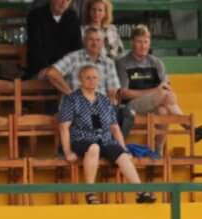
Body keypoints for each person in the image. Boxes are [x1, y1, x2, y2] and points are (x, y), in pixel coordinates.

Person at [59, 65, 156, 204]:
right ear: (80, 80)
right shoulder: (73, 99)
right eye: (88, 78)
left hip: (104, 140)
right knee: (94, 148)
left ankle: (140, 193)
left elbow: (115, 128)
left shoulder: (104, 100)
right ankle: (90, 193)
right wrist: (68, 152)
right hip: (82, 139)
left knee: (122, 155)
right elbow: (63, 126)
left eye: (95, 77)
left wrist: (123, 148)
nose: (92, 81)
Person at [116, 25, 202, 148]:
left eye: (146, 41)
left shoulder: (156, 62)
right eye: (139, 41)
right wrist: (155, 92)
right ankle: (190, 128)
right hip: (131, 106)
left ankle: (158, 151)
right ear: (132, 42)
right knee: (162, 94)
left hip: (155, 104)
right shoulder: (122, 63)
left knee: (164, 110)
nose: (143, 45)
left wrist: (165, 94)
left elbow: (167, 89)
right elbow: (124, 93)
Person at [46, 27, 120, 102]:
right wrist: (70, 93)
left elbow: (113, 91)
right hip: (76, 106)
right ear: (84, 41)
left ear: (102, 43)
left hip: (99, 107)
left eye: (98, 40)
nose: (94, 43)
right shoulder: (73, 57)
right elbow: (52, 73)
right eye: (91, 39)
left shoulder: (108, 63)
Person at [26, 0, 82, 80]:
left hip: (66, 68)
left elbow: (76, 48)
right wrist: (52, 69)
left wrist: (62, 68)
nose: (64, 3)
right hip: (41, 69)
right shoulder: (35, 16)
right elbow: (35, 48)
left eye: (68, 0)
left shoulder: (72, 16)